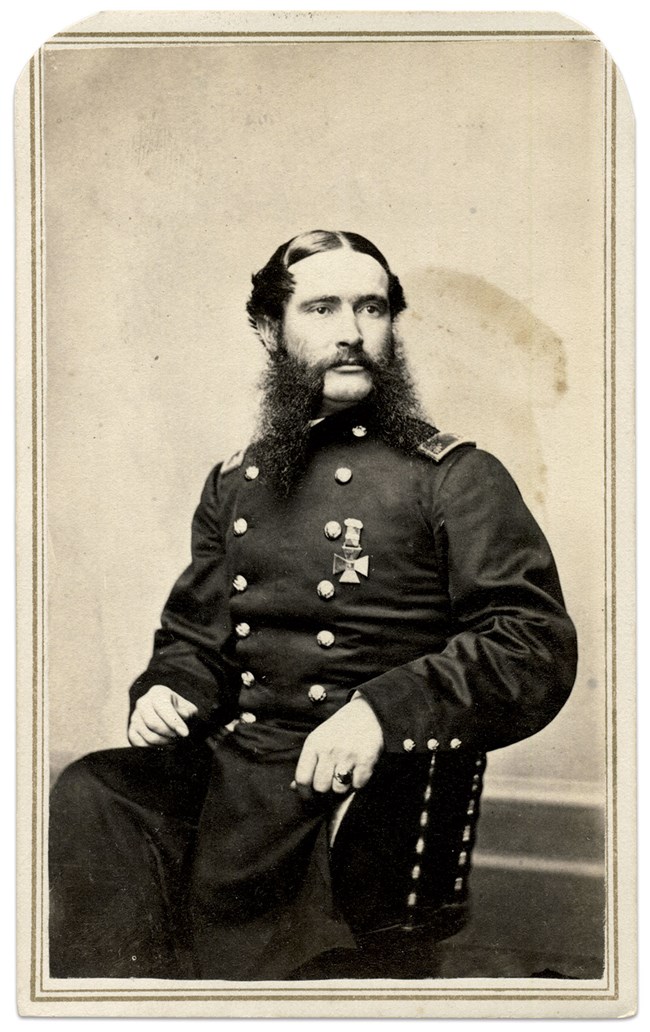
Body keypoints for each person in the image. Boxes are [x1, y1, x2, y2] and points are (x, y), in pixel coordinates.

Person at [49, 229, 578, 981]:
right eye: (322, 308)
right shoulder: (235, 483)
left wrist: (383, 711)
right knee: (95, 792)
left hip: (361, 789)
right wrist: (171, 688)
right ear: (271, 329)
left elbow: (531, 643)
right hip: (238, 772)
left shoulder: (455, 477)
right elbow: (197, 638)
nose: (351, 333)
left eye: (371, 308)